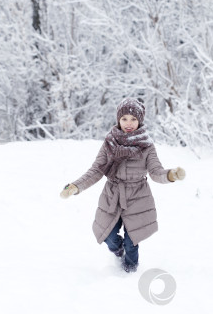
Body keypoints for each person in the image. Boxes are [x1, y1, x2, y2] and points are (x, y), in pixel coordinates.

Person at [60, 98, 186, 273]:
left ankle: (130, 272)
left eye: (133, 119)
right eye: (125, 118)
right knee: (108, 235)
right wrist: (75, 186)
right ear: (118, 119)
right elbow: (97, 169)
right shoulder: (110, 143)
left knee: (132, 240)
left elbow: (156, 171)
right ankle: (117, 251)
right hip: (113, 194)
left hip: (137, 196)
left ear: (140, 120)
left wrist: (171, 175)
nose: (129, 123)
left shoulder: (147, 146)